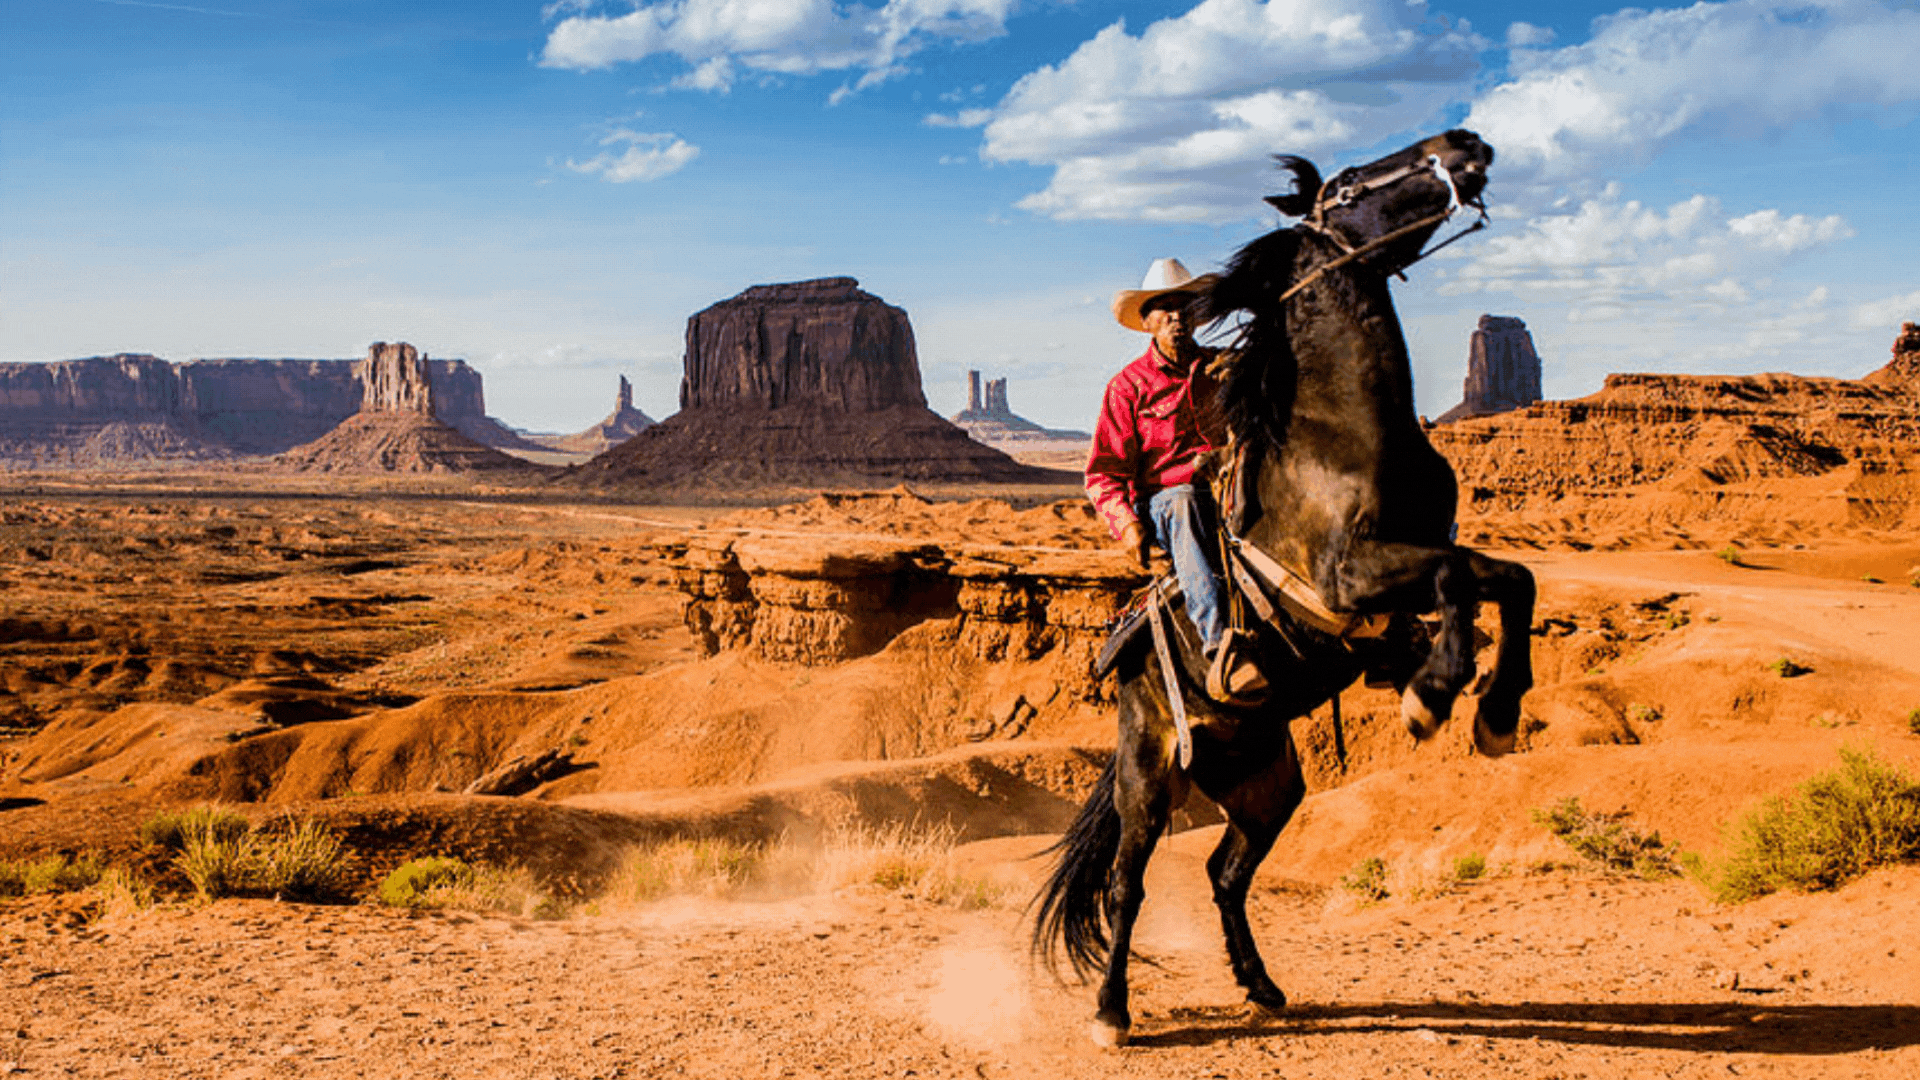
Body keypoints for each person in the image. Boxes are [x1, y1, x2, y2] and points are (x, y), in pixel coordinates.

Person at [1087, 257, 1266, 703]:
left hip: (1232, 491)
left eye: (1184, 305)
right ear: (1147, 321)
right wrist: (1128, 527)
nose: (1175, 315)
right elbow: (1104, 473)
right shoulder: (1128, 387)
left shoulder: (1225, 367)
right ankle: (1219, 643)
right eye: (1163, 307)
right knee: (1185, 498)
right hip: (1166, 504)